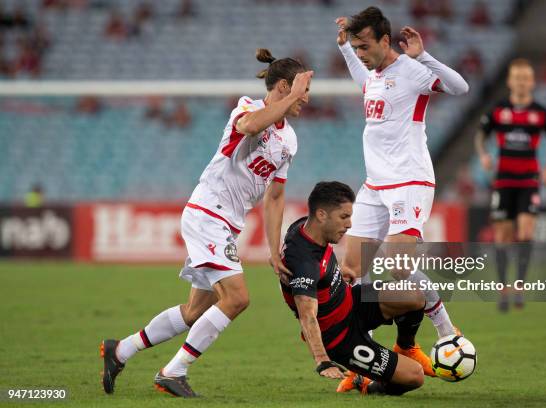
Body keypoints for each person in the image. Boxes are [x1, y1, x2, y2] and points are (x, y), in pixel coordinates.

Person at [101, 49, 313, 397]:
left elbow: (275, 197)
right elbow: (250, 127)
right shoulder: (247, 107)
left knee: (194, 311)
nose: (305, 101)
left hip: (227, 223)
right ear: (286, 87)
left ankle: (119, 350)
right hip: (207, 212)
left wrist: (274, 250)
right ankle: (173, 371)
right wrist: (290, 95)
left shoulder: (289, 139)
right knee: (237, 298)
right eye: (301, 93)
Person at [334, 6, 468, 380]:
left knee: (397, 268)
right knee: (350, 271)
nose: (361, 53)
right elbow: (362, 77)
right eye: (356, 47)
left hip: (408, 182)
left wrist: (423, 56)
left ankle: (446, 331)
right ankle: (364, 361)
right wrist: (346, 47)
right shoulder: (373, 75)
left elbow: (461, 87)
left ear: (385, 41)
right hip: (375, 185)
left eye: (364, 46)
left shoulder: (411, 71)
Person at [281, 181, 427, 395]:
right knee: (414, 377)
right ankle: (370, 386)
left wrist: (336, 275)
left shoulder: (304, 226)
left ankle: (406, 346)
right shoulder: (304, 263)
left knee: (414, 295)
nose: (350, 224)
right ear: (322, 215)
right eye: (344, 217)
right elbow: (307, 316)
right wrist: (323, 361)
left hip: (352, 300)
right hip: (341, 337)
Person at [475, 58, 546, 312]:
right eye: (517, 78)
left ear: (532, 82)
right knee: (502, 236)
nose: (522, 82)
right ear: (510, 81)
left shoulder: (542, 113)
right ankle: (503, 290)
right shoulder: (498, 110)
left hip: (529, 181)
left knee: (525, 233)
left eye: (526, 78)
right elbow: (481, 135)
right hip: (503, 180)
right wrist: (484, 155)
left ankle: (520, 288)